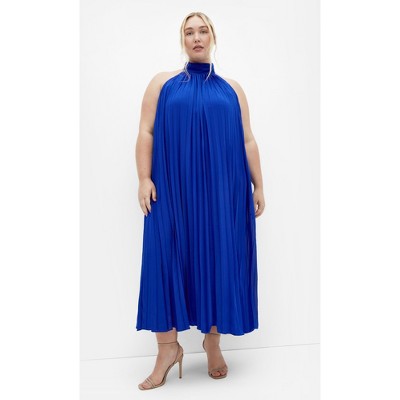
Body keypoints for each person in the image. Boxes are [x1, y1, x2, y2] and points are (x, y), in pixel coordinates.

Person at [135, 11, 265, 390]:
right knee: (163, 258)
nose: (196, 37)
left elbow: (247, 139)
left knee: (217, 258)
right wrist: (144, 178)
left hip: (221, 191)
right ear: (182, 39)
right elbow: (145, 131)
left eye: (202, 31)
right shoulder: (162, 84)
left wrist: (259, 185)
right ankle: (167, 349)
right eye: (189, 31)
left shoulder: (232, 89)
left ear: (212, 37)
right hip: (171, 189)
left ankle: (212, 342)